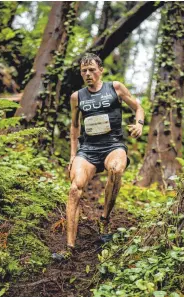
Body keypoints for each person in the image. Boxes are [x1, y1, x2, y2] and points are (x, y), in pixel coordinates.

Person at [52, 53, 144, 260]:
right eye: (84, 70)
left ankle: (104, 219)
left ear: (100, 70)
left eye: (92, 69)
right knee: (75, 189)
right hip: (88, 148)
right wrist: (73, 155)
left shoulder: (116, 88)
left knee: (116, 169)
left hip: (113, 145)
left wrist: (139, 124)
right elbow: (75, 126)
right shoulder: (77, 97)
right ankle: (69, 247)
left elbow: (138, 108)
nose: (88, 73)